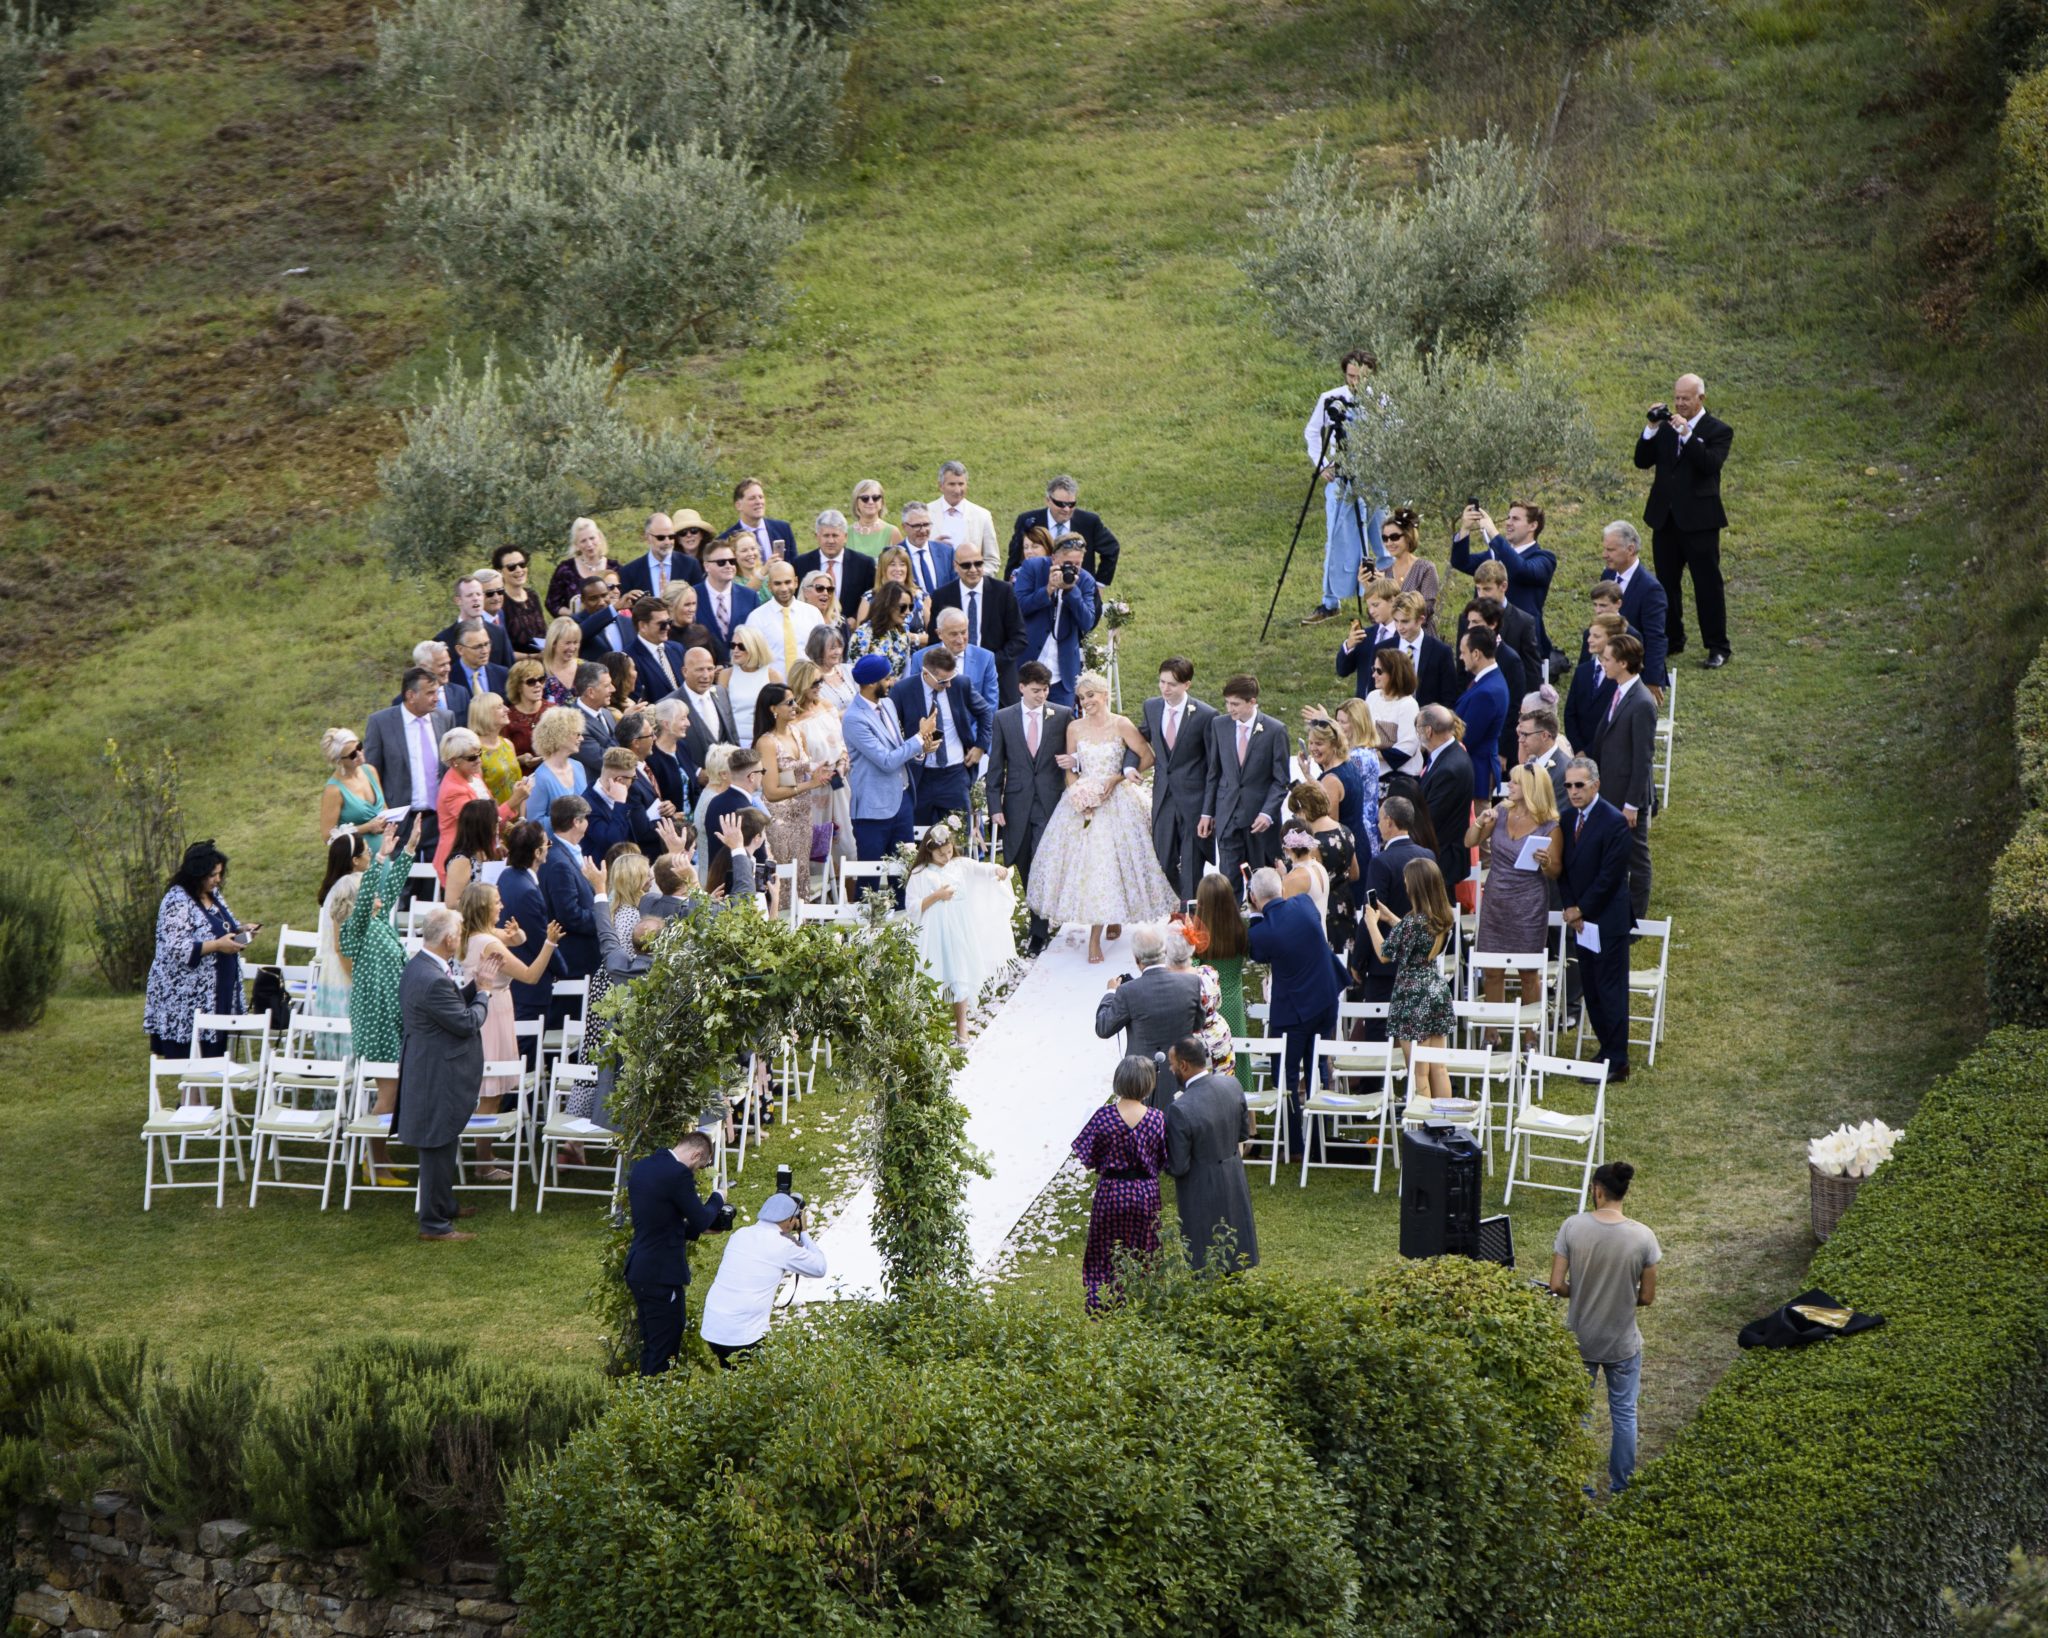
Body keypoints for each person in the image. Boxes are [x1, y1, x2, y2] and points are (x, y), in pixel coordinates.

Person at [1027, 671, 1178, 963]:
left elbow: (1147, 757)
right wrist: (1077, 794)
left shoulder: (1121, 724)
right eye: (1082, 698)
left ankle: (1104, 929)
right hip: (1085, 801)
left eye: (1091, 696)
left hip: (1117, 799)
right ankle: (1100, 928)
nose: (1086, 702)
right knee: (1094, 865)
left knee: (1114, 861)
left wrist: (1117, 779)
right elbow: (1070, 769)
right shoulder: (1074, 727)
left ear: (1105, 695)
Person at [1550, 1161, 1661, 1494]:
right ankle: (1621, 1485)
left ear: (1597, 1191)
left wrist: (1578, 1290)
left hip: (1581, 1339)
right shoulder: (1643, 1237)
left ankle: (1580, 1487)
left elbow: (1556, 1284)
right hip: (1622, 1343)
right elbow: (1648, 1297)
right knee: (1624, 1415)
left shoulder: (1572, 1227)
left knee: (1580, 1416)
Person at [395, 907, 500, 1241]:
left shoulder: (421, 966)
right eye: (459, 932)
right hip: (436, 1072)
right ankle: (433, 1224)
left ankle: (444, 1205)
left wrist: (472, 988)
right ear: (450, 938)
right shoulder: (431, 978)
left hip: (430, 1067)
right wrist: (483, 990)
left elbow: (451, 1004)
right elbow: (467, 1021)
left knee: (443, 1140)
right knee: (436, 1147)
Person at [455, 881, 559, 1178]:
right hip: (493, 1015)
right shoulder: (489, 944)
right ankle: (483, 1165)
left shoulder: (473, 934)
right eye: (497, 902)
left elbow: (512, 939)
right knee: (489, 1093)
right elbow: (530, 974)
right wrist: (549, 943)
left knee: (492, 1091)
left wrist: (519, 935)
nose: (502, 906)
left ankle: (482, 1153)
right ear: (484, 907)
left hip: (489, 1011)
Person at [338, 815, 420, 1184]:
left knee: (393, 1088)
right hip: (376, 1019)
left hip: (392, 1015)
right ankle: (374, 1162)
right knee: (387, 1092)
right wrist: (381, 859)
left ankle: (380, 1157)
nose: (378, 894)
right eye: (371, 890)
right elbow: (377, 881)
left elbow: (391, 886)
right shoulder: (356, 931)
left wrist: (409, 849)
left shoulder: (380, 922)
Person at [1635, 374, 1733, 667]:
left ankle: (1717, 646)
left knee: (1707, 585)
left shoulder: (1719, 430)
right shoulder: (1666, 428)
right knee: (1665, 584)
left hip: (1700, 521)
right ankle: (1672, 638)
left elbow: (1709, 464)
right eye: (1677, 398)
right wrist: (1651, 428)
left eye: (1685, 399)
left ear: (1700, 398)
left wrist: (1688, 435)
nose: (1679, 403)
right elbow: (1642, 460)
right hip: (1665, 518)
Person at [624, 1130, 733, 1374]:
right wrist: (718, 1197)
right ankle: (654, 1404)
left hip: (638, 1268)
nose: (696, 1172)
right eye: (701, 1166)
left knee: (652, 1346)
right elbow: (702, 1218)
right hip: (661, 1276)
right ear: (696, 1155)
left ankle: (643, 1402)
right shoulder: (678, 1174)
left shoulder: (643, 1166)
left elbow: (658, 1221)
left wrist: (693, 1231)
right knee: (664, 1350)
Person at [1245, 866, 1341, 1140]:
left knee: (1285, 1077)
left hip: (1294, 1011)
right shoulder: (1304, 903)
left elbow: (1258, 952)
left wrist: (1254, 914)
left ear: (1253, 897)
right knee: (1318, 1066)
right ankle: (1319, 1135)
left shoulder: (1263, 932)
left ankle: (1295, 1143)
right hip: (1325, 999)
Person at [1468, 765, 1563, 1040]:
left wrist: (1545, 864)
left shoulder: (1550, 826)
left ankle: (1529, 1034)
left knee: (1528, 972)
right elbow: (1469, 842)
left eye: (1515, 782)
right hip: (1496, 900)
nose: (1508, 785)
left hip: (1528, 903)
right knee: (1492, 968)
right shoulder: (1500, 813)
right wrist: (1479, 822)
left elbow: (1555, 871)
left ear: (1532, 788)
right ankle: (1491, 1031)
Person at [987, 660, 1072, 955]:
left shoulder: (1062, 715)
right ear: (1021, 687)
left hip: (1050, 803)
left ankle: (1039, 931)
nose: (1042, 695)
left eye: (1046, 689)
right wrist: (993, 805)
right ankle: (1040, 913)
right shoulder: (1003, 718)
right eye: (1036, 690)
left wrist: (1074, 763)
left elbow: (1076, 752)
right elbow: (996, 764)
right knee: (1023, 861)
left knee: (1040, 863)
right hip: (1016, 803)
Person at [905, 821, 1017, 1043]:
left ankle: (961, 1027)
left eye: (948, 852)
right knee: (934, 972)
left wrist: (996, 869)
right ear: (929, 851)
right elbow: (912, 907)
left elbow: (979, 868)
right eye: (940, 854)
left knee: (961, 972)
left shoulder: (959, 864)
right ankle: (927, 1027)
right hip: (934, 931)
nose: (946, 858)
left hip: (959, 928)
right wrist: (936, 896)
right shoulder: (920, 873)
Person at [1559, 757, 1635, 1080]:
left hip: (1608, 920)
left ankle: (1618, 1059)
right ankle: (1606, 1049)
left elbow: (1610, 876)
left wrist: (1582, 908)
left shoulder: (1614, 821)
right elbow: (1563, 869)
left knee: (1610, 989)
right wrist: (1571, 907)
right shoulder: (1566, 819)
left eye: (1580, 785)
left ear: (1596, 785)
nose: (1573, 792)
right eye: (1569, 786)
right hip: (1582, 921)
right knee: (1590, 987)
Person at [1072, 1056, 1169, 1310]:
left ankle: (1099, 1302)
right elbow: (1163, 1159)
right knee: (1145, 1247)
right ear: (1148, 1084)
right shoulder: (1157, 1119)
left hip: (1111, 1192)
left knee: (1103, 1248)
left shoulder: (1102, 1118)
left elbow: (1088, 1158)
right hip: (1145, 1193)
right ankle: (1143, 1301)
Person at [143, 840, 251, 1060]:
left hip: (216, 992)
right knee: (192, 1057)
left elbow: (222, 925)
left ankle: (199, 1096)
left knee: (213, 1056)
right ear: (197, 873)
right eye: (213, 875)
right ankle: (190, 1096)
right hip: (186, 997)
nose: (218, 880)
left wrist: (242, 930)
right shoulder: (176, 900)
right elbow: (177, 947)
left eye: (220, 874)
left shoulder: (214, 895)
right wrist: (218, 945)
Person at [1362, 856, 1456, 1103]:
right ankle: (1445, 1123)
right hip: (1435, 989)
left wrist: (1372, 923)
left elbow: (1384, 954)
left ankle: (1423, 1126)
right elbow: (1411, 934)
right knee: (1438, 1067)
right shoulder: (1441, 916)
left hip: (1412, 998)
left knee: (1419, 1071)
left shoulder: (1412, 923)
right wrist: (1390, 916)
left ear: (1414, 885)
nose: (1404, 882)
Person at [1300, 348, 1384, 625]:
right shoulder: (1331, 399)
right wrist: (1323, 464)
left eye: (1361, 377)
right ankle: (1330, 600)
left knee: (1381, 539)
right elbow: (1312, 432)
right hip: (1342, 479)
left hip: (1374, 479)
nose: (1355, 382)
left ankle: (1381, 599)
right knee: (1336, 538)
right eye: (1351, 376)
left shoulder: (1383, 400)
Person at [1163, 1034, 1259, 1273]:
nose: (1170, 1068)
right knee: (1237, 1254)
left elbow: (1178, 1166)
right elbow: (1243, 1134)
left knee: (1205, 1259)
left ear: (1183, 1065)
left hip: (1200, 1190)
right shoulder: (1232, 1085)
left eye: (1172, 1064)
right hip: (1234, 1176)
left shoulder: (1180, 1109)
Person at [698, 1190, 827, 1367]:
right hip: (743, 1335)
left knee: (733, 1378)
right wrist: (803, 1232)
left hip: (713, 1328)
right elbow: (819, 1268)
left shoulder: (740, 1234)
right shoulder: (783, 1246)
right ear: (791, 1220)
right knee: (756, 1385)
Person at [1138, 657, 1218, 905]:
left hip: (1194, 802)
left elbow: (1214, 767)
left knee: (1193, 864)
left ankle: (1191, 920)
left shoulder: (1206, 715)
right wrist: (1131, 765)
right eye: (1162, 682)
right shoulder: (1151, 707)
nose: (1165, 689)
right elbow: (1141, 738)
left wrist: (1208, 812)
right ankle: (1180, 902)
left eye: (1171, 684)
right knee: (1162, 860)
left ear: (1187, 685)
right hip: (1163, 797)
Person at [1591, 632, 1658, 923]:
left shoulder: (1642, 701)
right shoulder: (1619, 692)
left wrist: (1632, 804)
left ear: (1624, 663)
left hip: (1627, 798)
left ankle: (1635, 919)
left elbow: (1643, 758)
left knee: (1635, 858)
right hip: (1610, 792)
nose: (1602, 663)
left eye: (1607, 659)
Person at [1202, 674, 1289, 892]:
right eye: (1227, 703)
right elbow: (1214, 772)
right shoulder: (1219, 725)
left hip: (1258, 821)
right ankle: (1231, 924)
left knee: (1260, 883)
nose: (1230, 709)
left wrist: (1268, 813)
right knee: (1228, 884)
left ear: (1252, 702)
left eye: (1235, 704)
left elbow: (1281, 780)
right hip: (1227, 816)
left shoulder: (1275, 730)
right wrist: (1207, 813)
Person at [888, 645, 988, 831]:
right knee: (918, 841)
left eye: (951, 679)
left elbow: (985, 712)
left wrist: (980, 746)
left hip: (954, 775)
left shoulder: (960, 684)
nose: (948, 684)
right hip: (920, 777)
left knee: (961, 837)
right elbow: (891, 731)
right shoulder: (903, 690)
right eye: (943, 682)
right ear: (926, 674)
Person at [1352, 796, 1433, 1022]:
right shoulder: (1428, 856)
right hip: (1421, 958)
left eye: (1379, 820)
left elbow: (1372, 915)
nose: (1378, 825)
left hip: (1386, 965)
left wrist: (1358, 961)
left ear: (1389, 821)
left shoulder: (1382, 862)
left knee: (1380, 1030)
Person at [844, 654, 930, 860]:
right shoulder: (854, 719)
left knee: (904, 874)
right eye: (887, 678)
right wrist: (918, 738)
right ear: (872, 682)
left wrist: (922, 749)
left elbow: (899, 749)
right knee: (870, 881)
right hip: (873, 811)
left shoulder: (888, 704)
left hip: (903, 801)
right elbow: (887, 761)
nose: (892, 682)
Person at [363, 667, 453, 862]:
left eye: (436, 692)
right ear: (411, 695)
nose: (436, 698)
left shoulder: (445, 719)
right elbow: (370, 773)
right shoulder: (381, 723)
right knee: (399, 887)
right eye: (430, 693)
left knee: (435, 887)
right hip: (400, 823)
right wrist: (382, 813)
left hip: (438, 822)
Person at [756, 683, 832, 901]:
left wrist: (820, 768)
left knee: (801, 874)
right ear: (773, 709)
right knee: (784, 879)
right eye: (789, 703)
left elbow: (803, 765)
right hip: (779, 820)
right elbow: (770, 792)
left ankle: (803, 923)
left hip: (803, 815)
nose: (795, 706)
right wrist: (811, 785)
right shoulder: (766, 742)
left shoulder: (797, 733)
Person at [1453, 499, 1558, 652]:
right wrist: (1465, 529)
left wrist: (1493, 533)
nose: (1508, 523)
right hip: (1486, 639)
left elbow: (1521, 569)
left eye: (1515, 519)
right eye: (1508, 517)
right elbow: (1461, 562)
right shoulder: (1494, 555)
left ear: (1533, 526)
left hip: (1522, 643)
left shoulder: (1544, 558)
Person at [930, 540, 1025, 704]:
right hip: (954, 678)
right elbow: (935, 641)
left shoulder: (1003, 591)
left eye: (978, 563)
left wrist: (987, 664)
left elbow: (1019, 638)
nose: (973, 570)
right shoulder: (942, 596)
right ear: (955, 566)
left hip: (999, 679)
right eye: (966, 565)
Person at [1013, 536, 1099, 709]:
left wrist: (1072, 591)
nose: (1073, 569)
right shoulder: (1033, 567)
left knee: (1059, 729)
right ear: (1054, 558)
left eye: (1077, 564)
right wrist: (1048, 589)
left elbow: (1087, 622)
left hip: (1062, 674)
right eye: (1067, 563)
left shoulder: (1085, 580)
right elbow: (1018, 607)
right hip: (1026, 665)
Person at [433, 727, 526, 884]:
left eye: (480, 753)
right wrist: (514, 801)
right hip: (459, 862)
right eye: (472, 757)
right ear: (453, 761)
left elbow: (489, 812)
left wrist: (496, 843)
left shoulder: (474, 775)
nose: (479, 760)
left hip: (480, 856)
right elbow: (481, 824)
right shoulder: (452, 790)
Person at [1004, 473, 1121, 584]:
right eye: (1060, 504)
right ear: (1048, 500)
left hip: (1077, 592)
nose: (1066, 509)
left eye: (1071, 504)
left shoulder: (1089, 522)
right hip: (1036, 593)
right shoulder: (1028, 520)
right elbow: (1014, 560)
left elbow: (1111, 549)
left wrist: (1100, 584)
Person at [1284, 779, 1356, 951]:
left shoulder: (1313, 844)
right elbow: (1354, 873)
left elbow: (1314, 883)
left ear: (1304, 811)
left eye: (1296, 813)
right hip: (1346, 904)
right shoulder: (1345, 831)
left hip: (1325, 910)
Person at [1599, 521, 1671, 690]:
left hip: (1634, 671)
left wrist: (1652, 682)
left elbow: (1655, 638)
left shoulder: (1650, 589)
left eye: (1610, 550)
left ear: (1630, 549)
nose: (1604, 555)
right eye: (1605, 549)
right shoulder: (1607, 575)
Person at [916, 608, 999, 749]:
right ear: (939, 634)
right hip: (933, 744)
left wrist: (977, 743)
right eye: (954, 634)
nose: (960, 640)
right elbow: (917, 702)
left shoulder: (985, 658)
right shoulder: (920, 658)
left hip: (972, 743)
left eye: (964, 632)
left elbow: (990, 705)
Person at [539, 795, 602, 980]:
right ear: (576, 822)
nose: (588, 823)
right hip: (575, 959)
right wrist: (603, 918)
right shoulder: (558, 861)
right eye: (586, 819)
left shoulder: (564, 852)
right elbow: (569, 915)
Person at [1415, 704, 1475, 893]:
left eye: (1417, 728)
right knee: (1439, 916)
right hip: (1438, 856)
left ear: (1428, 730)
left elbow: (1431, 817)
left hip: (1441, 858)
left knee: (1432, 917)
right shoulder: (1450, 754)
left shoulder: (1450, 767)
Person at [1454, 623, 1511, 799]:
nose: (1461, 657)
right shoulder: (1488, 681)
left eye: (1463, 652)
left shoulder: (1488, 691)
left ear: (1476, 654)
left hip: (1477, 775)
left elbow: (1466, 737)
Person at [1470, 557, 1546, 686]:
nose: (1481, 595)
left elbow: (1532, 672)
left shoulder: (1524, 622)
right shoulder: (1467, 619)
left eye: (1487, 589)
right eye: (1478, 589)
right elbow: (1461, 671)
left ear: (1503, 586)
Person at [742, 559, 826, 677]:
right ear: (769, 585)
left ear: (796, 582)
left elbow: (822, 653)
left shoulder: (813, 614)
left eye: (788, 582)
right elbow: (751, 659)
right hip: (773, 689)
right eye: (777, 583)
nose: (784, 588)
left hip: (809, 685)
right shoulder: (756, 618)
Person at [312, 868, 363, 1055]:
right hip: (342, 971)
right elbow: (340, 947)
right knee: (343, 1019)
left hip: (334, 970)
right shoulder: (343, 915)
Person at [318, 727, 388, 860]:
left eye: (359, 747)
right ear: (339, 760)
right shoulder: (334, 790)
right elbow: (328, 837)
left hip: (382, 852)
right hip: (355, 860)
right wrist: (367, 827)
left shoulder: (370, 771)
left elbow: (383, 806)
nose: (360, 754)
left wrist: (387, 819)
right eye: (352, 755)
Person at [794, 508, 876, 622]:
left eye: (835, 535)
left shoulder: (864, 565)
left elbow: (871, 598)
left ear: (845, 537)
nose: (831, 541)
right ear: (817, 536)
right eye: (826, 536)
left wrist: (856, 618)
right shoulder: (800, 564)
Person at [1386, 589, 1461, 711]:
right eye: (1396, 621)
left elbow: (1449, 697)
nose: (1399, 627)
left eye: (1405, 621)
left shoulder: (1441, 652)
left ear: (1420, 620)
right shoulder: (1384, 649)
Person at [1565, 610, 1626, 756]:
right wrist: (1579, 749)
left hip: (1609, 753)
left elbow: (1616, 722)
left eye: (1596, 636)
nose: (1589, 640)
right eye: (1590, 634)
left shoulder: (1621, 676)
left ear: (1613, 639)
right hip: (1580, 752)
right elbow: (1570, 713)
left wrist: (1589, 751)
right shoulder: (1582, 671)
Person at [523, 706, 589, 834]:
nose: (582, 739)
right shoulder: (540, 778)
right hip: (555, 848)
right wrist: (567, 820)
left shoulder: (578, 767)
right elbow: (534, 823)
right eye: (577, 734)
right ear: (561, 735)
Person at [696, 538, 759, 666]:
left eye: (732, 561)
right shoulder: (692, 596)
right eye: (721, 562)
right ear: (706, 566)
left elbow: (757, 638)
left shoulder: (750, 597)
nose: (728, 566)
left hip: (742, 671)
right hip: (706, 674)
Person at [618, 511, 703, 604]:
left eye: (671, 537)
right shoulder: (629, 572)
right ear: (647, 537)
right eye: (661, 537)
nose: (667, 542)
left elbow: (699, 601)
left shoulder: (690, 565)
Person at [848, 579, 922, 682]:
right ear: (888, 605)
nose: (908, 612)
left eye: (911, 607)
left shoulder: (902, 635)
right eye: (903, 607)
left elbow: (905, 675)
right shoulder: (863, 634)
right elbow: (852, 672)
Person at [1380, 507, 1440, 633]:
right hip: (1392, 638)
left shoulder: (1426, 569)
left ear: (1408, 537)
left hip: (1420, 636)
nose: (1389, 542)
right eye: (1385, 538)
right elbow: (1376, 616)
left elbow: (1426, 609)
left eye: (1394, 537)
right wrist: (1371, 587)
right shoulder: (1384, 572)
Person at [724, 627, 782, 750]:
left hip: (764, 742)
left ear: (755, 648)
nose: (735, 650)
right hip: (733, 743)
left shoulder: (772, 675)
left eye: (741, 646)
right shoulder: (726, 675)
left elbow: (782, 712)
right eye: (732, 645)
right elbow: (722, 714)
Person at [441, 796, 505, 907]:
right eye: (495, 821)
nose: (497, 826)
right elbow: (451, 903)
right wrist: (485, 904)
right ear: (483, 826)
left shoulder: (484, 854)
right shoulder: (462, 861)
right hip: (469, 922)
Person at [927, 459, 999, 556]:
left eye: (961, 484)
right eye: (952, 484)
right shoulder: (925, 513)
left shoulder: (982, 516)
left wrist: (973, 570)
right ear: (941, 486)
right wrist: (933, 547)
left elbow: (992, 559)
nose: (957, 490)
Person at [720, 476, 796, 563]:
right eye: (752, 498)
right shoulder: (726, 540)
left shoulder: (783, 529)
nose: (758, 502)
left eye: (761, 497)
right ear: (738, 505)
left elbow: (794, 564)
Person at [492, 544, 548, 654]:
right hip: (519, 666)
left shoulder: (532, 596)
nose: (519, 570)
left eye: (522, 565)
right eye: (511, 567)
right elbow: (503, 649)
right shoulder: (500, 602)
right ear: (500, 572)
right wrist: (532, 658)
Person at [469, 693, 522, 806]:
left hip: (519, 818)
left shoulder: (508, 744)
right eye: (499, 707)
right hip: (494, 818)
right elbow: (481, 795)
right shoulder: (474, 751)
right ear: (485, 714)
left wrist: (522, 818)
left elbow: (520, 786)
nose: (507, 709)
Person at [1518, 703, 1573, 810]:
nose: (1520, 740)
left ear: (1544, 736)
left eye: (1525, 735)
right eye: (1520, 734)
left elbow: (1558, 814)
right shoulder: (1531, 763)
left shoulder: (1564, 770)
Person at [444, 612, 509, 702]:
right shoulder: (449, 679)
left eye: (487, 644)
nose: (485, 651)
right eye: (477, 647)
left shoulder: (503, 675)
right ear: (460, 650)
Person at [897, 502, 956, 599]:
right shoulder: (895, 555)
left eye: (926, 524)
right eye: (916, 526)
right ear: (904, 527)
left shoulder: (946, 552)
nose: (923, 530)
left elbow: (955, 586)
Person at [502, 660, 548, 766]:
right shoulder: (507, 718)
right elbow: (503, 759)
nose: (538, 685)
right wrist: (519, 760)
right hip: (523, 778)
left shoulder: (554, 711)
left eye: (541, 680)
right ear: (518, 687)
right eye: (531, 682)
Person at [847, 478, 903, 557]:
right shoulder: (845, 534)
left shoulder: (893, 533)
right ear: (856, 502)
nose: (870, 502)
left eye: (875, 497)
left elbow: (902, 565)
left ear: (882, 502)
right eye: (865, 498)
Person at [538, 616, 584, 708]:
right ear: (553, 643)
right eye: (567, 643)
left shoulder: (585, 668)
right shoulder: (540, 672)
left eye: (575, 643)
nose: (572, 648)